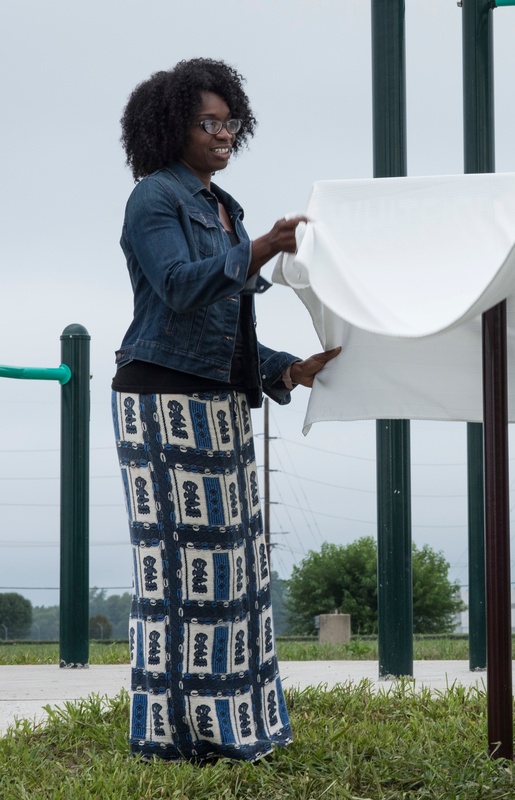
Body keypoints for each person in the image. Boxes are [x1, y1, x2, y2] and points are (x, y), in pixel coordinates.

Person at [112, 58, 340, 762]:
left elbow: (225, 329)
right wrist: (262, 249)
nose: (222, 135)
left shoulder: (224, 208)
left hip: (218, 404)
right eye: (207, 123)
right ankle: (178, 737)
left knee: (236, 570)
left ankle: (237, 725)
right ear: (170, 127)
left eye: (230, 122)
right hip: (162, 404)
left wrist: (286, 370)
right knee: (181, 575)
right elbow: (179, 290)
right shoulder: (155, 198)